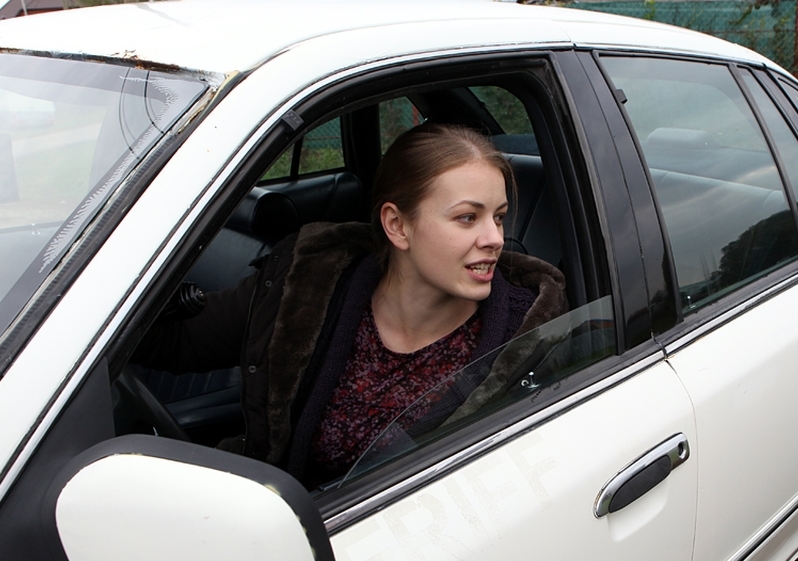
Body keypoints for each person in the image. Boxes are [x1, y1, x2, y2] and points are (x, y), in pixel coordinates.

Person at [137, 122, 568, 485]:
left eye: (498, 216)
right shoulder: (307, 287)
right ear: (397, 225)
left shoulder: (530, 338)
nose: (494, 238)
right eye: (467, 218)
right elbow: (172, 341)